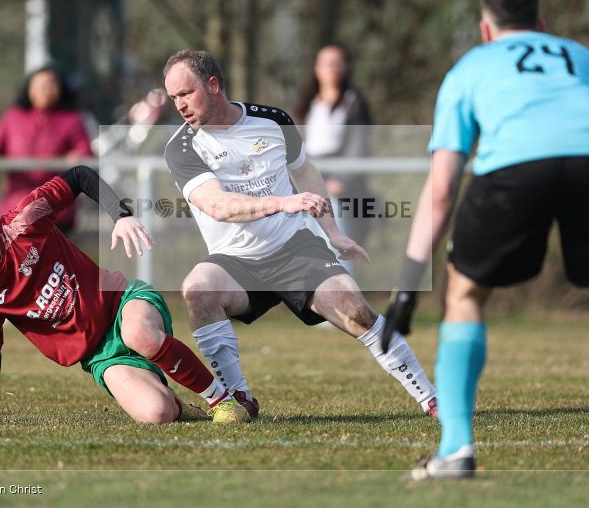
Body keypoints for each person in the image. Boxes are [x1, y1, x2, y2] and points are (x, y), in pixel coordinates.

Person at [384, 0, 589, 478]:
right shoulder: (586, 60)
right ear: (540, 24)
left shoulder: (471, 66)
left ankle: (457, 450)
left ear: (485, 29)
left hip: (516, 168)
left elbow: (443, 187)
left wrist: (407, 284)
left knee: (466, 296)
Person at [162, 50, 437, 421]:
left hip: (295, 250)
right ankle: (238, 397)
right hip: (235, 261)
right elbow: (218, 205)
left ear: (213, 85)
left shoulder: (273, 121)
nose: (179, 105)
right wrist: (282, 202)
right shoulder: (181, 147)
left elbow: (305, 173)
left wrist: (334, 233)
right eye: (173, 97)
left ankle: (431, 399)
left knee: (356, 310)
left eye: (185, 93)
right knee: (198, 288)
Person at [0, 165, 250, 425]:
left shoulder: (25, 222)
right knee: (156, 414)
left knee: (138, 334)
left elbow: (79, 176)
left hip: (122, 302)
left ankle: (223, 402)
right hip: (100, 355)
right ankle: (178, 405)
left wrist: (121, 216)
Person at [0, 65, 93, 234]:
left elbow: (86, 154)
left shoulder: (71, 120)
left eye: (51, 85)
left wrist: (78, 157)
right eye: (40, 85)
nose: (46, 90)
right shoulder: (13, 117)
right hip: (16, 209)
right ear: (29, 89)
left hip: (57, 211)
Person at [293, 44, 374, 272]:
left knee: (339, 240)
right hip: (308, 176)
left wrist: (341, 181)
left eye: (339, 63)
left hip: (340, 186)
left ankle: (346, 293)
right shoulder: (306, 104)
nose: (334, 68)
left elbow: (359, 146)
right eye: (328, 63)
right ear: (317, 69)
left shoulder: (354, 102)